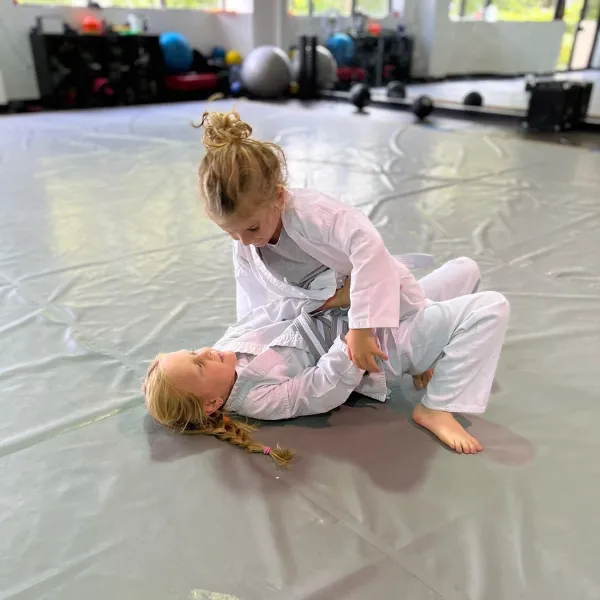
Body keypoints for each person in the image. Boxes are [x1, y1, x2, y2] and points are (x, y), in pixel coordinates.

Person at [143, 258, 508, 466]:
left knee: (466, 268)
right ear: (211, 402)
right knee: (491, 307)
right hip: (378, 348)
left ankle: (434, 351)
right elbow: (319, 391)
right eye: (200, 367)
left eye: (194, 352)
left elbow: (279, 309)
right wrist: (348, 343)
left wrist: (332, 300)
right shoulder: (257, 398)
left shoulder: (227, 346)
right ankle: (437, 407)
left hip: (361, 314)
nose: (205, 353)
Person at [196, 110, 435, 375]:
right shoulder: (245, 238)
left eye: (252, 228)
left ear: (278, 196)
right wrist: (243, 344)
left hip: (381, 292)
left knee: (423, 346)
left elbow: (369, 247)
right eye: (231, 232)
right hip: (333, 309)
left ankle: (455, 284)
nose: (245, 241)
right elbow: (252, 300)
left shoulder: (311, 214)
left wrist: (362, 328)